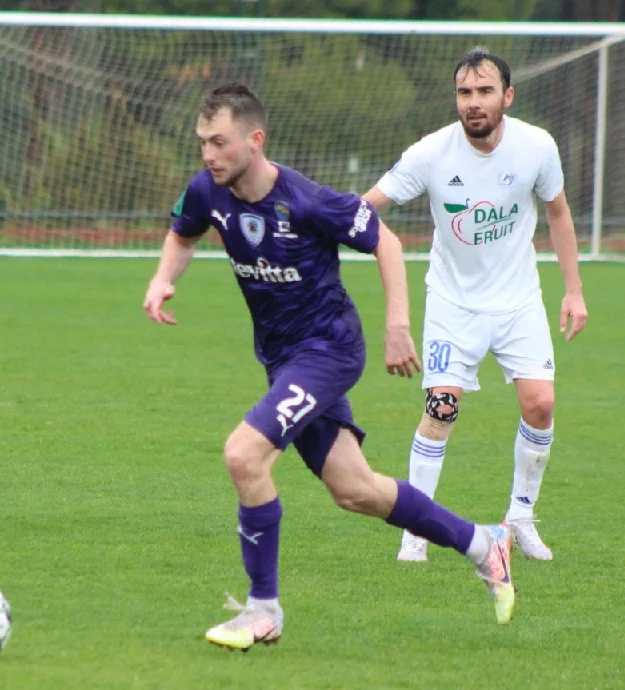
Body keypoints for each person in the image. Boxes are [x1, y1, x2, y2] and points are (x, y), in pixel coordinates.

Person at [143, 83, 515, 651]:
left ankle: (262, 610)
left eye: (219, 142)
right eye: (203, 142)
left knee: (243, 456)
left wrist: (397, 325)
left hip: (329, 350)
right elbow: (183, 233)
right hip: (282, 360)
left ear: (255, 140)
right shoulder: (206, 191)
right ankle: (482, 544)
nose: (208, 154)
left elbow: (387, 243)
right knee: (354, 489)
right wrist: (163, 278)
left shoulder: (308, 200)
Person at [361, 47, 588, 563]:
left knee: (541, 404)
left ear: (508, 96)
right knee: (441, 408)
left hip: (519, 300)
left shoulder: (537, 146)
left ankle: (521, 517)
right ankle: (416, 526)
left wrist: (573, 291)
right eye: (465, 93)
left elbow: (557, 212)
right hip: (453, 302)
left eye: (485, 91)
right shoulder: (430, 153)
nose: (474, 102)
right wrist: (316, 227)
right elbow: (368, 206)